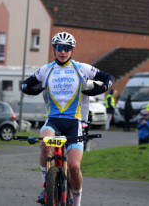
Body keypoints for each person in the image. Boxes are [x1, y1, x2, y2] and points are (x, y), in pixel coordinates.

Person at [21, 32, 114, 206]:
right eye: (59, 48)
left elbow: (109, 78)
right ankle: (45, 185)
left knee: (74, 167)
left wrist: (101, 88)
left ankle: (77, 203)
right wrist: (29, 89)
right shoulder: (46, 69)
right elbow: (25, 83)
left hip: (75, 122)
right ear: (54, 49)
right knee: (45, 142)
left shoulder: (82, 68)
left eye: (67, 48)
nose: (63, 52)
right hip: (53, 119)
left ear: (72, 50)